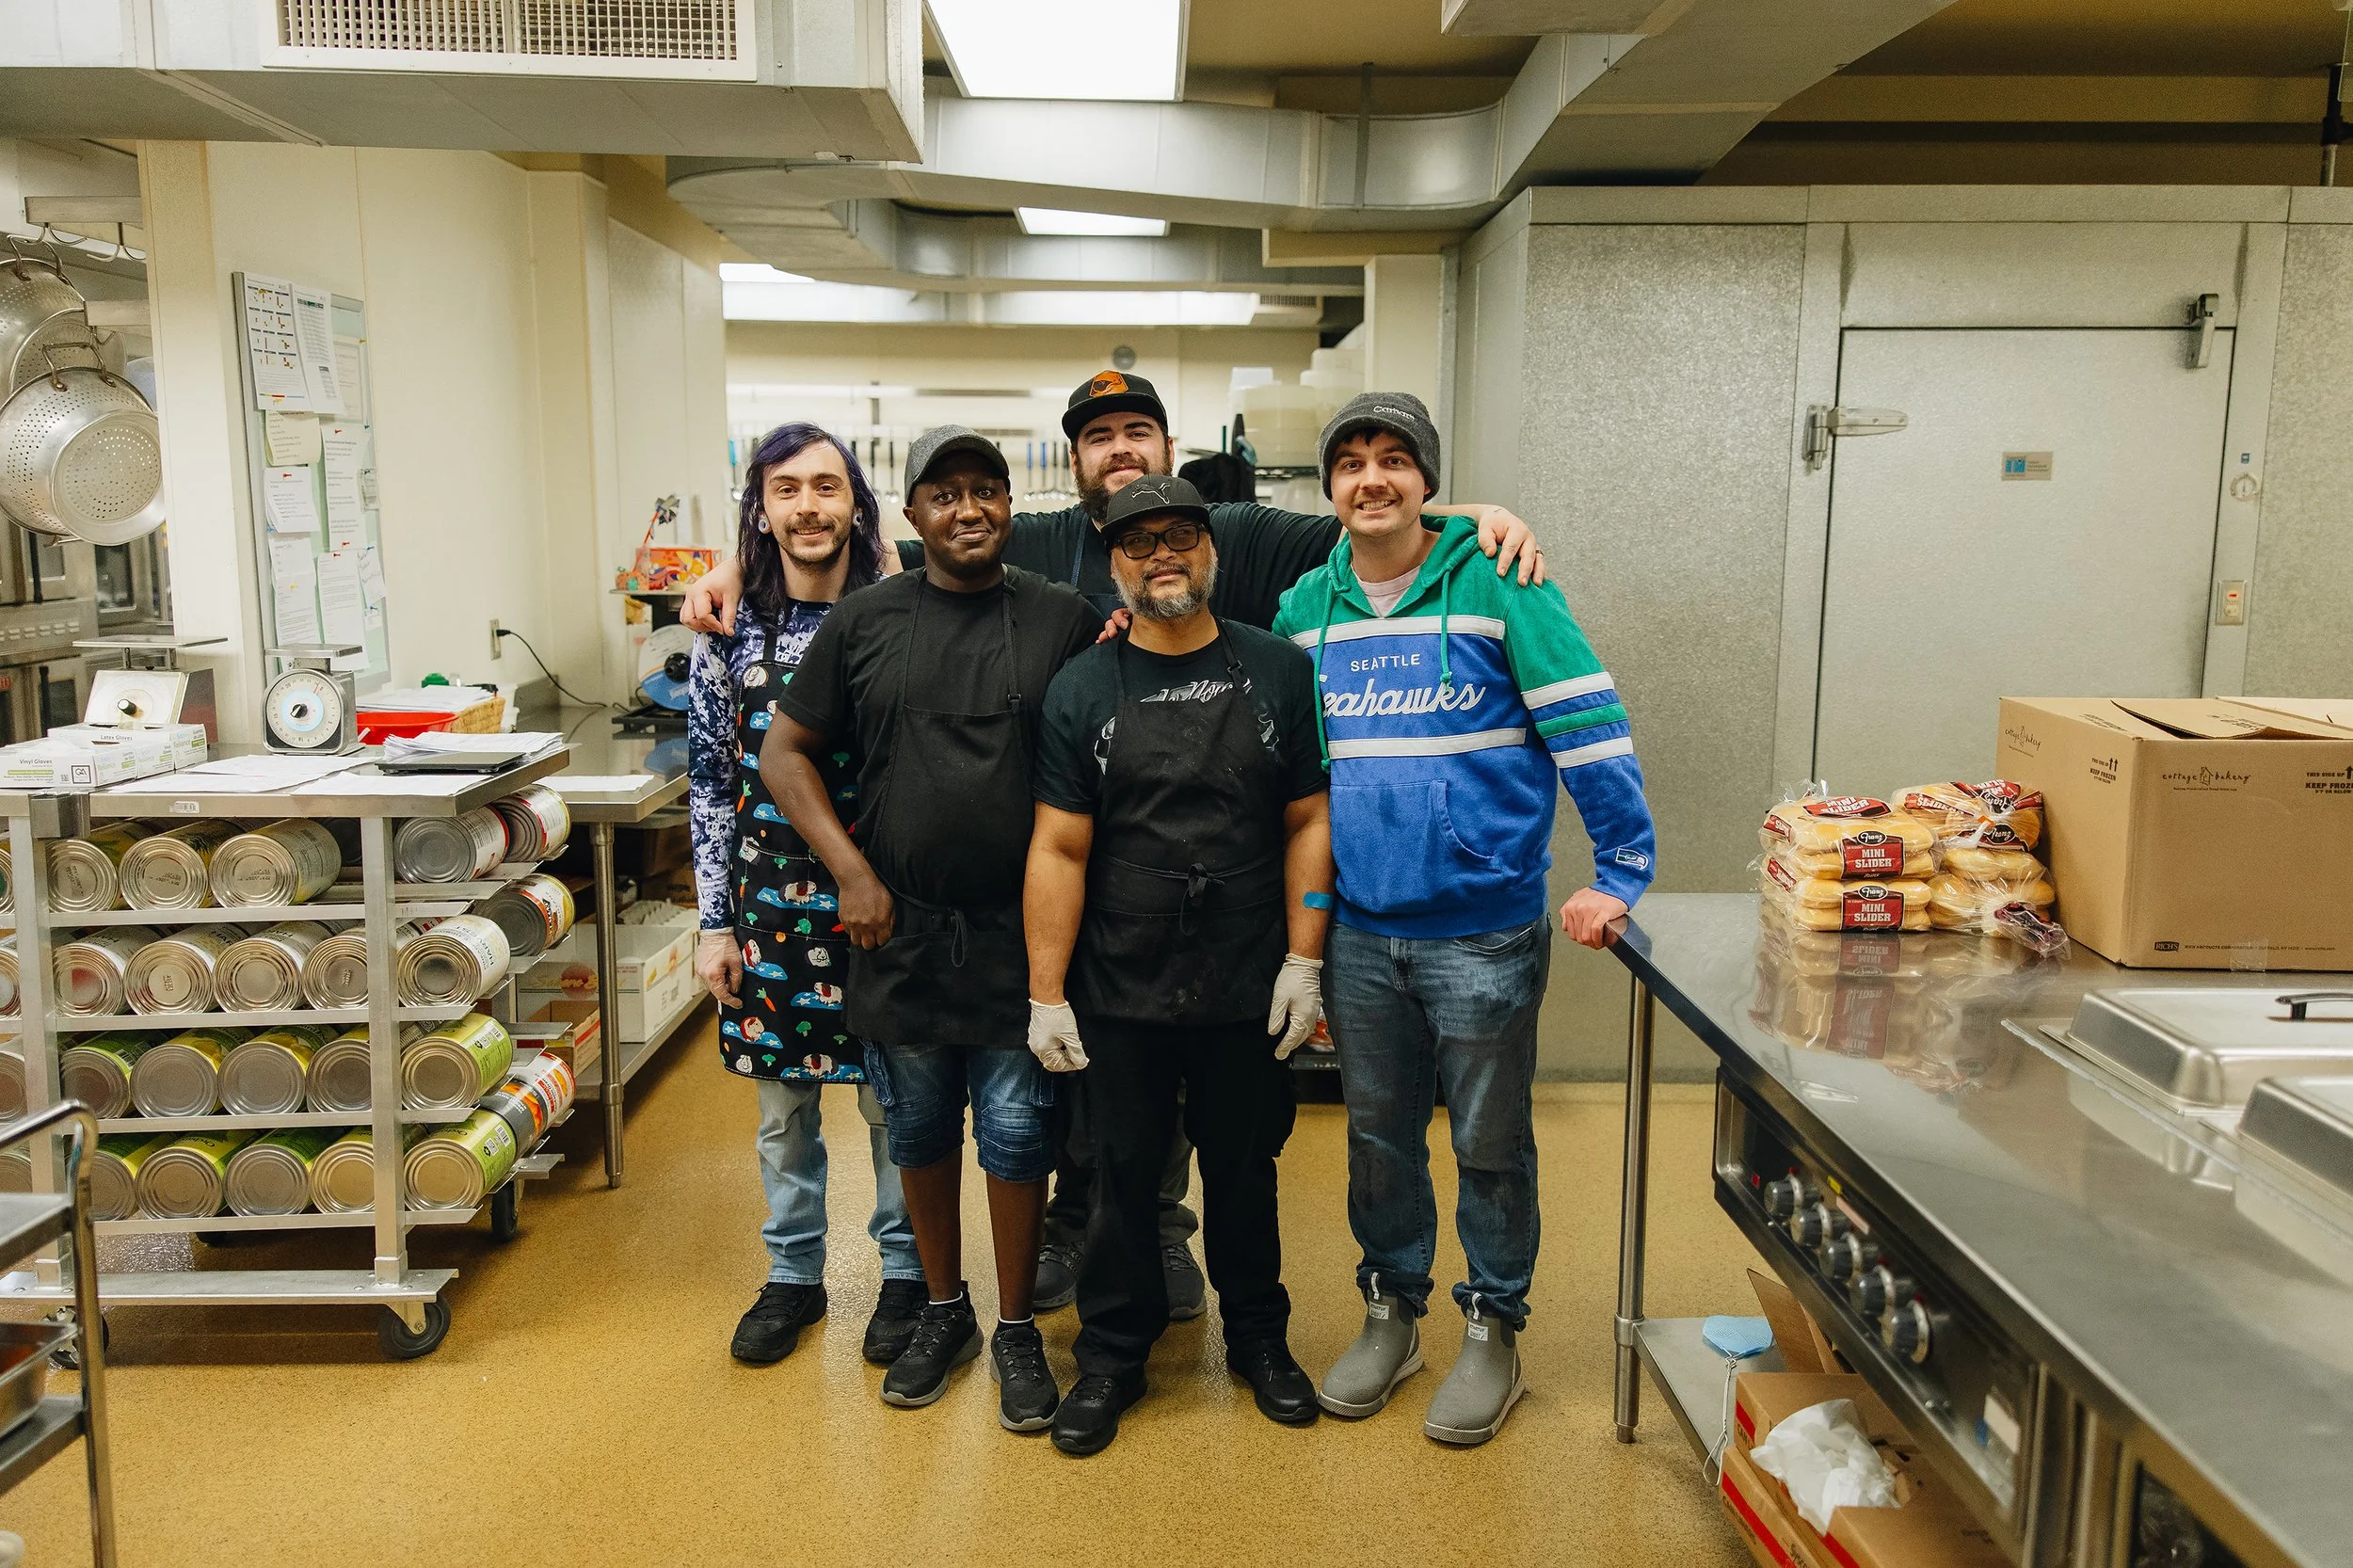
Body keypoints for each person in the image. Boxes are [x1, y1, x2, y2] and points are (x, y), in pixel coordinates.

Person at [682, 370, 1551, 1317]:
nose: (1121, 450)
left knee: (1199, 1122)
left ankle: (1178, 1252)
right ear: (1072, 467)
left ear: (1170, 454)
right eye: (1099, 437)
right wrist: (739, 566)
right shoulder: (1046, 536)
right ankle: (1073, 1242)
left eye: (1138, 429)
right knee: (1083, 1103)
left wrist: (1478, 514)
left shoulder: (1239, 531)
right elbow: (896, 553)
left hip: (1219, 884)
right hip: (1069, 893)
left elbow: (1374, 520)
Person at [1272, 392, 1657, 1447]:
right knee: (1376, 1141)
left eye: (1394, 459)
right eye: (1349, 462)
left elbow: (1584, 722)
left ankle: (1494, 1325)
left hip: (1481, 929)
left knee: (1489, 1142)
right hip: (1356, 932)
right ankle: (1391, 1309)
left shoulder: (1500, 581)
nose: (1370, 479)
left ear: (1426, 480)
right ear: (1329, 487)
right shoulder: (1306, 607)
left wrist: (1622, 868)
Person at [760, 424, 1099, 1433]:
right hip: (894, 932)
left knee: (1012, 1133)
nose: (967, 510)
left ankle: (1014, 1330)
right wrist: (851, 873)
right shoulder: (865, 620)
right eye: (944, 494)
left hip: (1018, 936)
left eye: (985, 490)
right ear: (910, 515)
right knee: (914, 1131)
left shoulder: (1061, 619)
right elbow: (785, 754)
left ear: (1008, 504)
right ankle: (942, 1310)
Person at [1023, 474, 1334, 1456]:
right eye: (1139, 540)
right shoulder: (1081, 687)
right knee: (1118, 1175)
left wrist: (1303, 958)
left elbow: (1308, 819)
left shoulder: (1279, 670)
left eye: (1181, 536)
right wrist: (1045, 993)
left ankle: (1259, 1340)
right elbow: (1058, 849)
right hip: (1122, 978)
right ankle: (1112, 1357)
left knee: (1246, 1167)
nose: (1163, 553)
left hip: (1248, 972)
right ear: (1113, 562)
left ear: (1211, 550)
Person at [685, 422, 925, 1368]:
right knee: (783, 1118)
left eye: (827, 486)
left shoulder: (898, 612)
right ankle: (792, 1278)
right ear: (761, 508)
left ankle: (906, 1275)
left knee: (892, 1106)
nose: (808, 505)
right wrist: (714, 923)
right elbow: (709, 778)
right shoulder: (726, 626)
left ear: (855, 504)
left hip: (881, 905)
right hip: (767, 912)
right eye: (786, 488)